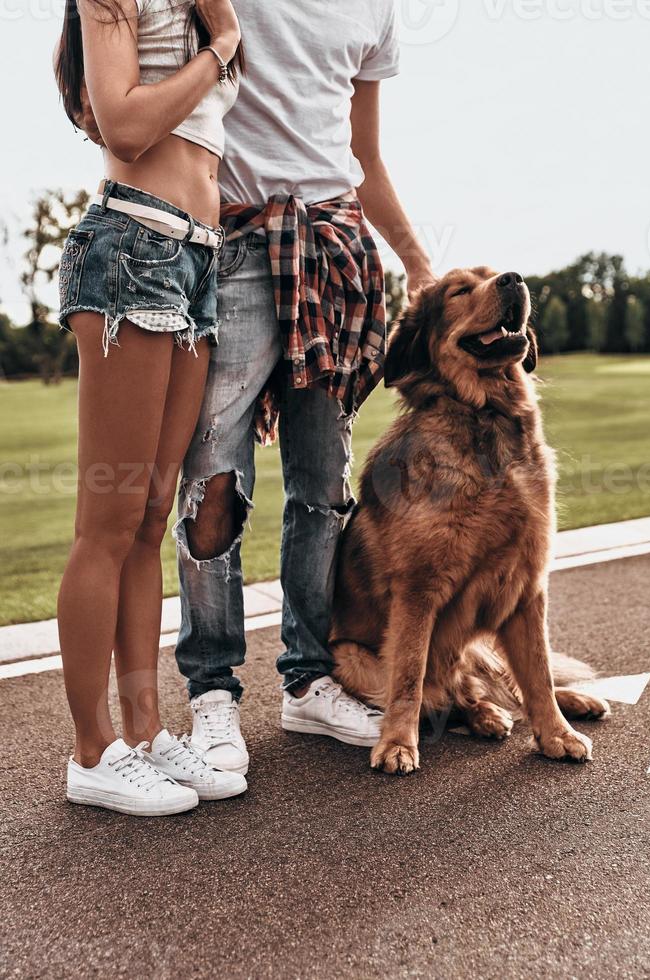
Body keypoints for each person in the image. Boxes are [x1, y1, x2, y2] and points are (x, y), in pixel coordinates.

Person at [172, 0, 437, 775]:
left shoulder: (374, 9)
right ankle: (213, 693)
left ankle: (308, 679)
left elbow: (365, 156)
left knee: (324, 486)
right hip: (239, 243)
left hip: (338, 250)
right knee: (214, 476)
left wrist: (416, 261)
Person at [55, 0, 248, 815]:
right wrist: (223, 49)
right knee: (109, 516)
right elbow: (124, 127)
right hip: (136, 246)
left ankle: (142, 733)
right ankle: (91, 750)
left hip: (197, 262)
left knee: (151, 512)